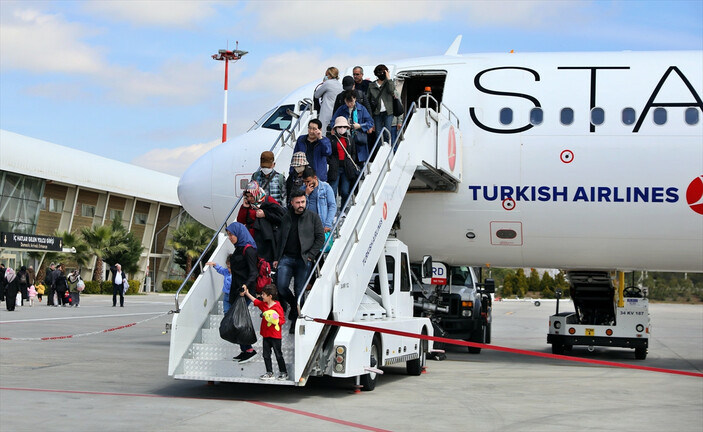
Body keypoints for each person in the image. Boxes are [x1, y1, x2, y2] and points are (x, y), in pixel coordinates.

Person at [275, 189, 325, 333]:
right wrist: (277, 258)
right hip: (286, 257)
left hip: (304, 259)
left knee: (299, 290)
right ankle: (293, 306)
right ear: (292, 203)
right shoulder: (286, 217)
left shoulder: (313, 217)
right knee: (281, 286)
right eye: (297, 202)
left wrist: (311, 255)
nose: (301, 205)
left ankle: (296, 319)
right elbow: (280, 239)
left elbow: (320, 238)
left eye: (303, 201)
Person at [225, 222, 259, 364]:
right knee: (233, 320)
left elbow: (254, 272)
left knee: (239, 320)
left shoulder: (248, 250)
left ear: (239, 234)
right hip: (235, 289)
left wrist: (246, 286)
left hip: (245, 290)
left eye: (231, 235)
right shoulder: (238, 249)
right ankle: (245, 349)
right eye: (228, 235)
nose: (230, 237)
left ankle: (249, 350)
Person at [241, 284, 288, 381]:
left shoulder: (278, 307)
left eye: (263, 294)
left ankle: (283, 372)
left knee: (278, 354)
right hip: (266, 335)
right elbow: (256, 301)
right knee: (266, 355)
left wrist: (273, 320)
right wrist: (247, 293)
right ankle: (269, 372)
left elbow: (282, 320)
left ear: (270, 296)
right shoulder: (264, 305)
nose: (262, 296)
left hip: (275, 336)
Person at [237, 180, 286, 264]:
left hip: (266, 237)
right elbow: (240, 220)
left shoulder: (267, 199)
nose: (249, 198)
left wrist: (265, 214)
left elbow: (280, 214)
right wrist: (244, 207)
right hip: (252, 238)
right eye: (247, 196)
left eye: (251, 196)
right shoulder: (248, 204)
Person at [330, 90, 374, 163]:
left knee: (359, 161)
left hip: (358, 138)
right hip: (345, 138)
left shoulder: (361, 108)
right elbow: (333, 121)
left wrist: (359, 126)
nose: (350, 104)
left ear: (355, 99)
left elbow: (370, 122)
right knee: (347, 160)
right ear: (344, 100)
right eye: (347, 102)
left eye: (352, 101)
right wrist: (337, 127)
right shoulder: (341, 109)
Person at [329, 116, 358, 208]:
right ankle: (332, 210)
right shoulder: (331, 139)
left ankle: (343, 209)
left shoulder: (350, 139)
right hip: (335, 168)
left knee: (345, 191)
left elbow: (353, 152)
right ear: (335, 128)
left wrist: (350, 161)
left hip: (347, 168)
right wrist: (331, 162)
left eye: (344, 127)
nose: (342, 129)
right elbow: (327, 153)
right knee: (332, 191)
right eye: (339, 127)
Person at [302, 167, 337, 232]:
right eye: (304, 182)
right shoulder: (303, 189)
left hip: (322, 224)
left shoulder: (326, 187)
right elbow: (300, 207)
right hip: (307, 225)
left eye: (308, 181)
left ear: (315, 178)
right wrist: (306, 195)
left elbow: (332, 206)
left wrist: (328, 224)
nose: (307, 184)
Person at [366, 64, 396, 140]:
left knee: (387, 133)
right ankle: (380, 150)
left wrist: (388, 78)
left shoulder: (388, 83)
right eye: (379, 73)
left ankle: (389, 150)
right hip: (377, 113)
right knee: (378, 134)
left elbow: (392, 90)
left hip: (388, 112)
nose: (381, 74)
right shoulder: (371, 85)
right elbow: (367, 99)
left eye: (383, 72)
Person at [313, 67, 343, 133]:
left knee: (323, 132)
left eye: (326, 75)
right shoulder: (340, 85)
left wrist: (324, 83)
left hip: (326, 112)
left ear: (329, 75)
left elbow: (316, 95)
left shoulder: (327, 83)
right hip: (336, 112)